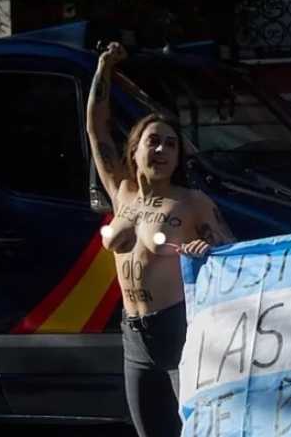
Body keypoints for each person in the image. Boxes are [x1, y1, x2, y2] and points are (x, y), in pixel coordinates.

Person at [87, 42, 235, 437]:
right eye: (153, 141)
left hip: (177, 336)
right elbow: (97, 127)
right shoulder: (121, 192)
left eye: (171, 143)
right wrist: (103, 68)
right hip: (133, 338)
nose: (163, 149)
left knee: (195, 431)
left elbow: (235, 259)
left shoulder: (192, 202)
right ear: (133, 151)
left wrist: (208, 253)